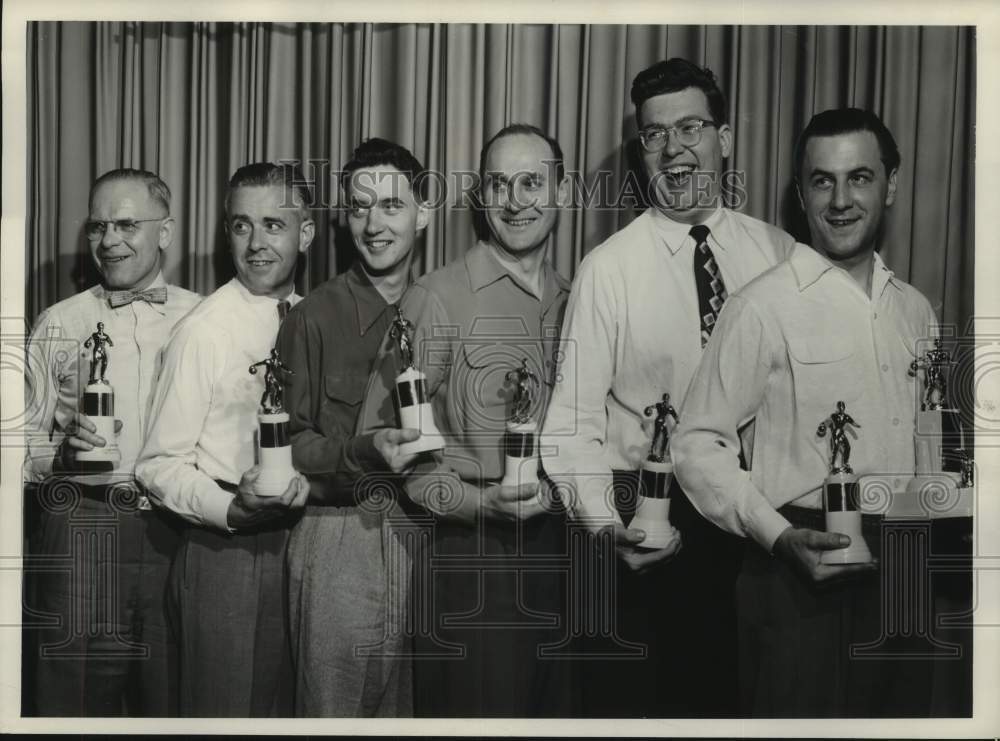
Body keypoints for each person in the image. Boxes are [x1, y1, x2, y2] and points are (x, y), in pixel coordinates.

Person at [540, 57, 795, 716]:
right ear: (639, 151)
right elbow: (571, 424)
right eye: (656, 134)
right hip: (653, 529)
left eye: (691, 127)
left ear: (725, 138)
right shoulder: (608, 270)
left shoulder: (780, 254)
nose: (675, 148)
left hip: (765, 526)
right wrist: (607, 525)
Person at [671, 107, 938, 716]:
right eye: (823, 180)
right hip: (798, 579)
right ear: (801, 192)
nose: (840, 200)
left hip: (905, 576)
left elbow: (928, 442)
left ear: (890, 184)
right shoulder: (761, 306)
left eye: (860, 178)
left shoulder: (915, 311)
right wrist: (779, 534)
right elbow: (695, 444)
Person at [358, 123, 575, 717]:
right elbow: (388, 443)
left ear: (562, 189)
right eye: (500, 185)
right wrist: (477, 506)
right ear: (481, 199)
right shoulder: (438, 297)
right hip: (475, 555)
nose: (516, 201)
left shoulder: (577, 297)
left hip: (566, 550)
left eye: (532, 182)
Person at [136, 162, 312, 717]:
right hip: (226, 550)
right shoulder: (204, 331)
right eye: (241, 226)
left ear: (305, 233)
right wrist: (231, 510)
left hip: (303, 545)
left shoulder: (315, 318)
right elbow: (158, 464)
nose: (256, 243)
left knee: (293, 712)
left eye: (273, 225)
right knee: (225, 712)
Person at [23, 168, 201, 716]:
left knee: (173, 697)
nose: (110, 241)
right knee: (70, 699)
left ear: (165, 233)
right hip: (82, 526)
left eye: (127, 224)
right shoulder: (60, 322)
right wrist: (57, 455)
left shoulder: (203, 319)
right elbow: (18, 443)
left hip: (180, 533)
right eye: (98, 227)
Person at [274, 138, 428, 717]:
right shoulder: (313, 316)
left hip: (432, 532)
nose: (374, 224)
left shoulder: (441, 303)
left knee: (412, 717)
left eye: (391, 205)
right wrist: (364, 451)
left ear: (423, 211)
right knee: (334, 714)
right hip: (341, 533)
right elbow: (285, 445)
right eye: (360, 208)